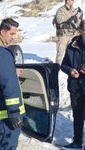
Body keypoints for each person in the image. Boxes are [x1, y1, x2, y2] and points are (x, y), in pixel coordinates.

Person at [61, 20, 85, 149]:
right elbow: (63, 64)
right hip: (76, 86)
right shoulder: (72, 45)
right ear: (81, 31)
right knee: (78, 115)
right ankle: (77, 142)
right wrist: (71, 70)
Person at [53, 0, 82, 64]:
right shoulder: (61, 10)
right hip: (63, 35)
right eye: (72, 0)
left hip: (72, 35)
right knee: (60, 54)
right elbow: (58, 20)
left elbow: (76, 24)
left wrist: (78, 18)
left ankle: (70, 70)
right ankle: (56, 70)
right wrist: (71, 16)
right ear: (67, 1)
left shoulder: (74, 10)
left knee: (71, 53)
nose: (73, 1)